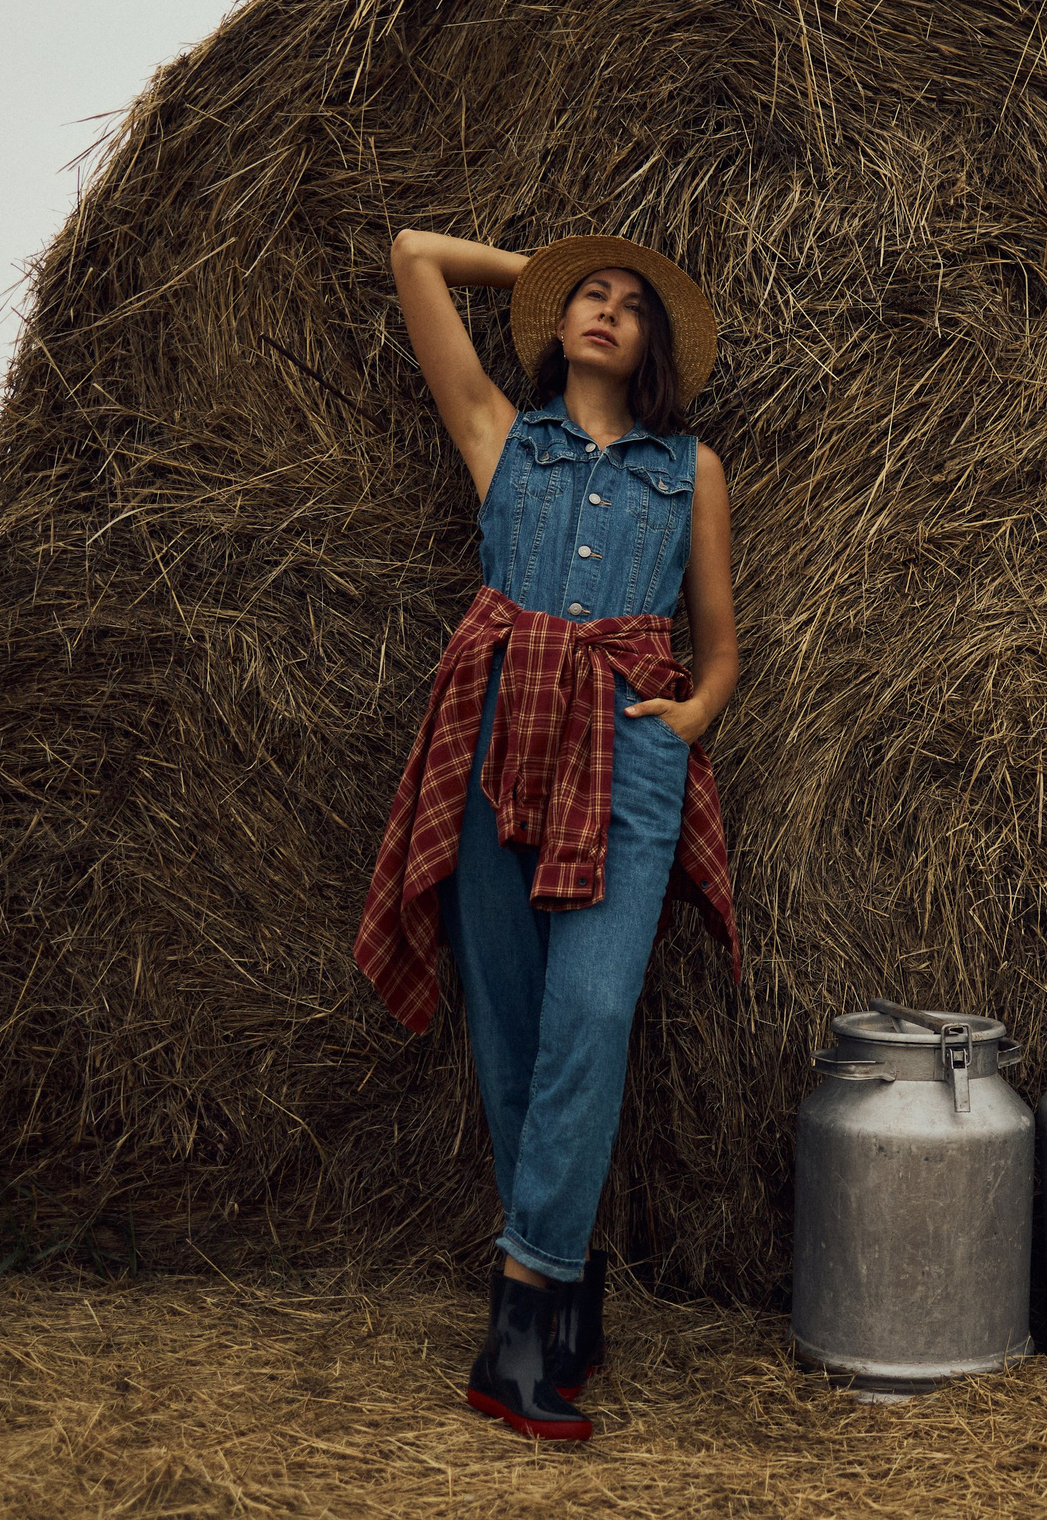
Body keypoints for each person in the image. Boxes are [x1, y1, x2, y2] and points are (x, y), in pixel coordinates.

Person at [352, 231, 741, 1442]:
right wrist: (546, 270)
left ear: (654, 349)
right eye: (591, 296)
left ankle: (512, 1330)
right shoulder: (499, 436)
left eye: (633, 307)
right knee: (515, 1036)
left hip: (627, 752)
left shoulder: (692, 472)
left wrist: (688, 719)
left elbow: (721, 644)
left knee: (592, 1011)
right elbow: (415, 256)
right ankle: (569, 1300)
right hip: (494, 740)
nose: (606, 311)